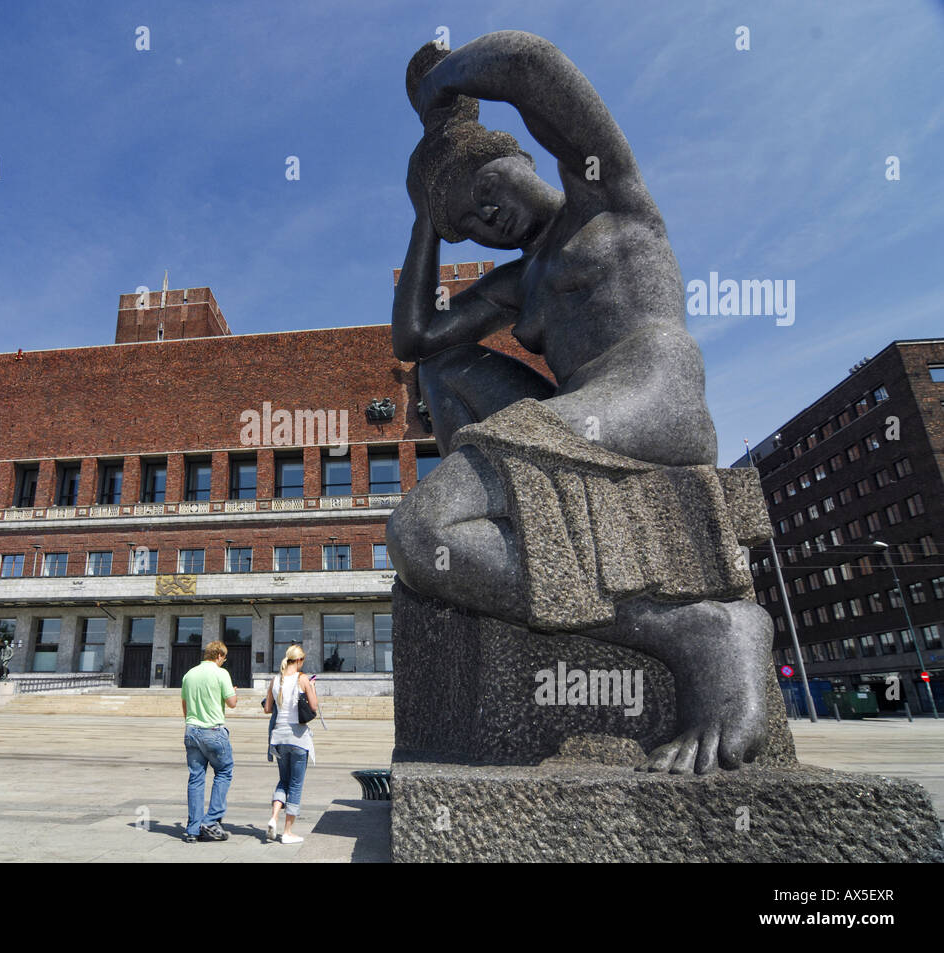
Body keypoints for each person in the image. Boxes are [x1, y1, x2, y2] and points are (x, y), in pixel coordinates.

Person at [387, 33, 775, 775]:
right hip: (580, 415)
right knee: (443, 383)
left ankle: (705, 634)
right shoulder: (520, 281)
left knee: (417, 525)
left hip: (651, 396)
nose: (484, 218)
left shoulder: (609, 195)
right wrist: (426, 218)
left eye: (484, 190)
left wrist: (442, 87)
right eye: (466, 220)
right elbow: (415, 335)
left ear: (520, 156)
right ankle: (640, 602)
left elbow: (530, 65)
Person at [181, 640, 238, 842]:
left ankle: (193, 830)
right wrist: (233, 692)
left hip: (192, 729)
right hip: (213, 730)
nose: (223, 661)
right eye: (224, 658)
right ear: (219, 656)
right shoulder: (221, 673)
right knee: (224, 771)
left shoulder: (189, 674)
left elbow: (185, 705)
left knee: (196, 778)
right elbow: (232, 703)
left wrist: (191, 723)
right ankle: (211, 819)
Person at [263, 645, 317, 844]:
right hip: (297, 738)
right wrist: (311, 688)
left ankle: (273, 817)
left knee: (283, 781)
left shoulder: (275, 680)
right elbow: (314, 707)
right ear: (300, 660)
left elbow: (268, 709)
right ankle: (287, 832)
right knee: (295, 784)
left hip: (278, 737)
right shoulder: (303, 679)